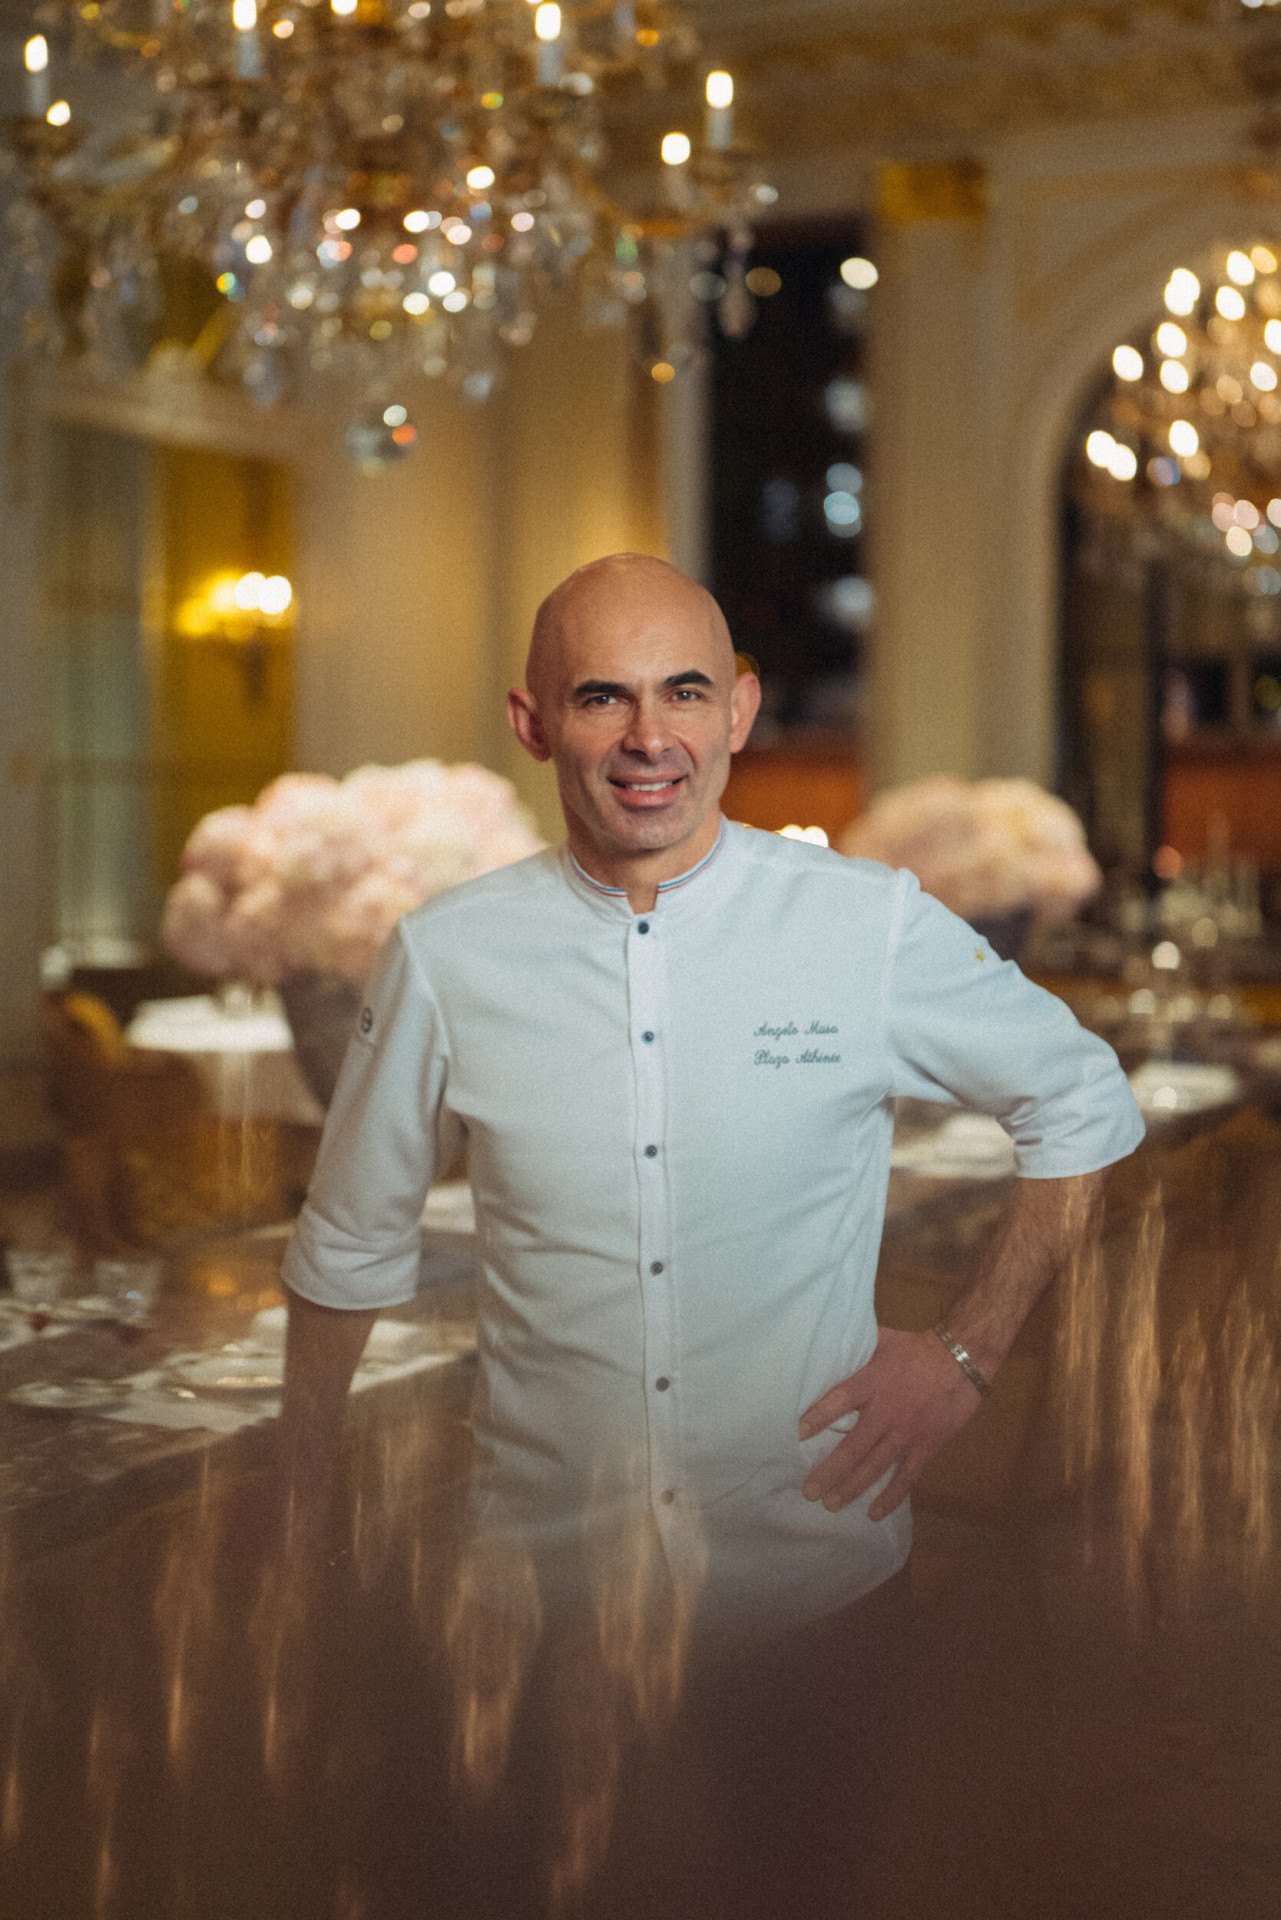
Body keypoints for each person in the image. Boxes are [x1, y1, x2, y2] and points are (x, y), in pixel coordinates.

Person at [281, 551, 1143, 1638]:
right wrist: (297, 1517)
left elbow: (1082, 1100)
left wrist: (966, 1355)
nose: (650, 738)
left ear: (737, 711)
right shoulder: (445, 956)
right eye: (602, 698)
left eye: (684, 692)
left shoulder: (863, 923)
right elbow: (348, 1245)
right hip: (545, 1602)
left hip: (820, 1585)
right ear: (533, 723)